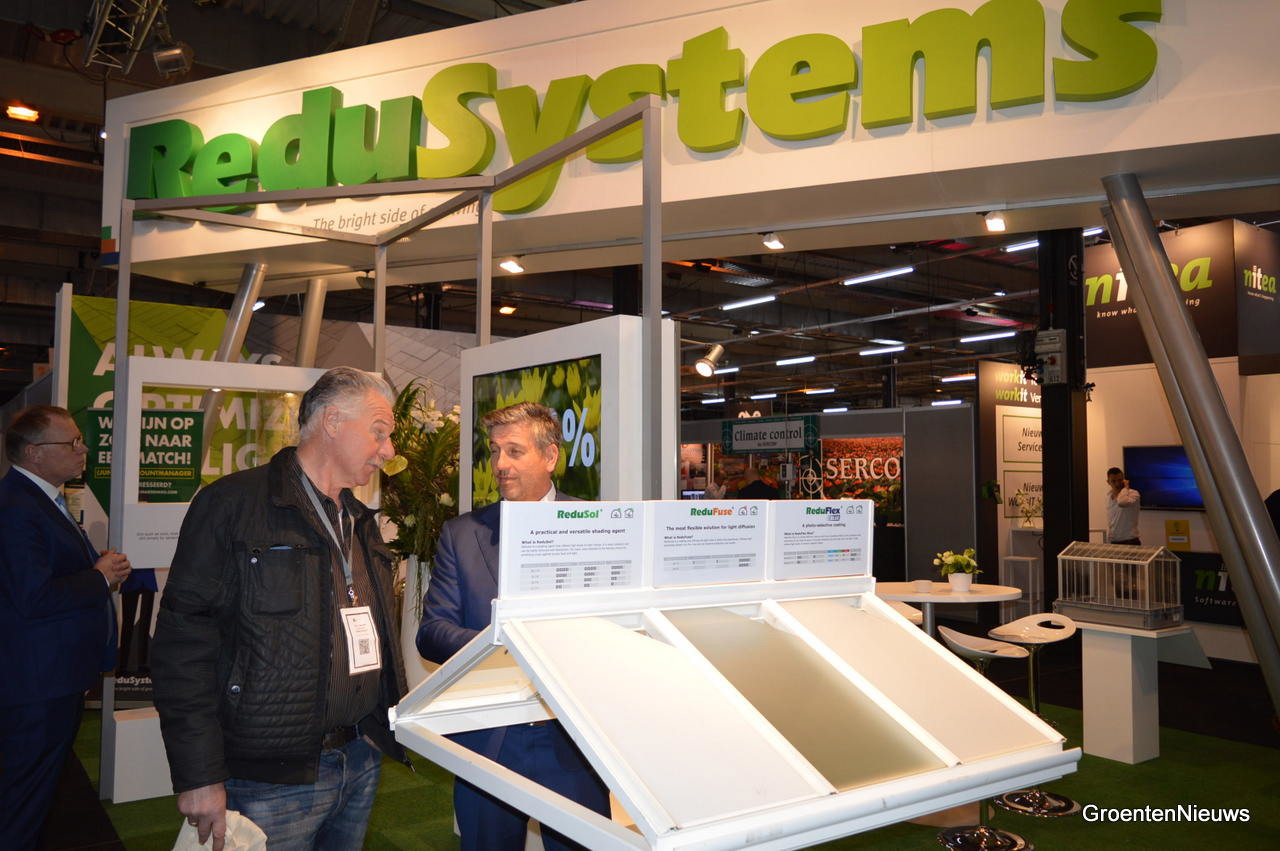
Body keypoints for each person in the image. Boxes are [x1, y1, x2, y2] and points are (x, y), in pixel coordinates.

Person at [151, 367, 408, 851]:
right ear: (332, 422)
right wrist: (199, 774)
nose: (389, 450)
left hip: (360, 757)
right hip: (269, 778)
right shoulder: (232, 504)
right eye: (379, 432)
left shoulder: (359, 520)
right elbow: (183, 646)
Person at [418, 401, 610, 851]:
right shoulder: (462, 534)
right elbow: (432, 632)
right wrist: (510, 644)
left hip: (572, 738)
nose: (500, 464)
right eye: (495, 450)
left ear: (550, 456)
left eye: (514, 451)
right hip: (490, 738)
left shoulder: (597, 526)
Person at [0, 405, 132, 850]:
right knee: (23, 797)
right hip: (37, 683)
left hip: (52, 676)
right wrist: (99, 577)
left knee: (36, 793)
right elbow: (34, 597)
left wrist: (99, 571)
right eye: (72, 442)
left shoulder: (40, 500)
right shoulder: (17, 507)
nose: (83, 449)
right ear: (34, 452)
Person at [1106, 466, 1141, 545]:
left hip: (1130, 541)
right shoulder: (1108, 496)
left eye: (1120, 480)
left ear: (1124, 480)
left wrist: (1125, 488)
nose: (1117, 484)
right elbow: (1111, 520)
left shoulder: (1133, 493)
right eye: (1113, 481)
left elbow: (1122, 502)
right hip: (1114, 541)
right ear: (1108, 482)